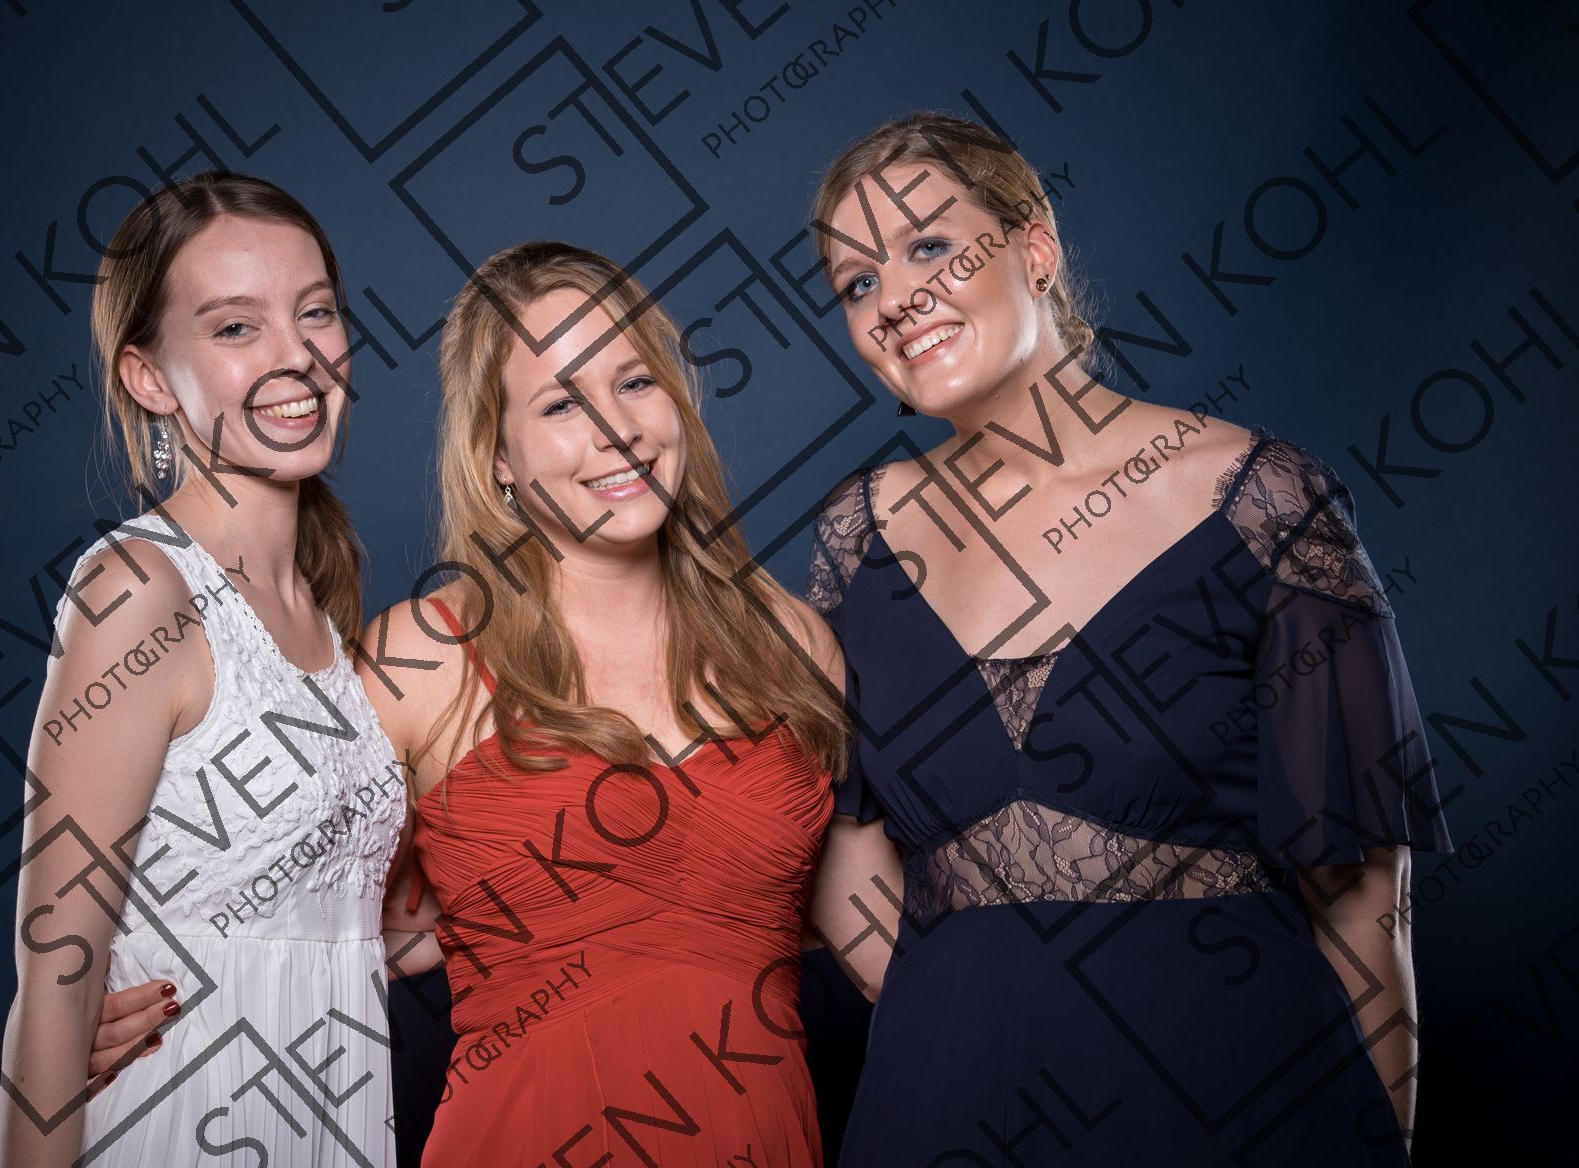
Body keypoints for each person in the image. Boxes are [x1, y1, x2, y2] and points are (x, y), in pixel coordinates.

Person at [90, 239, 900, 1165]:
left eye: (636, 382)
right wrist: (123, 1006)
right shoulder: (421, 659)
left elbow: (880, 945)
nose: (618, 430)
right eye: (562, 404)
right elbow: (293, 914)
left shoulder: (790, 642)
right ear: (497, 458)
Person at [806, 113, 1452, 1166]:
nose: (895, 300)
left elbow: (1364, 893)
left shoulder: (1263, 501)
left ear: (1035, 246)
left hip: (1240, 1095)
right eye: (857, 282)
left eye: (930, 246)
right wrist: (969, 1005)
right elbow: (845, 848)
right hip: (948, 1101)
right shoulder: (855, 539)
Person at [0, 172, 408, 1166]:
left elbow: (335, 927)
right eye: (235, 328)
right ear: (148, 378)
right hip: (186, 1123)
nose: (295, 355)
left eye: (316, 312)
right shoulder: (140, 590)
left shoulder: (326, 607)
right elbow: (54, 984)